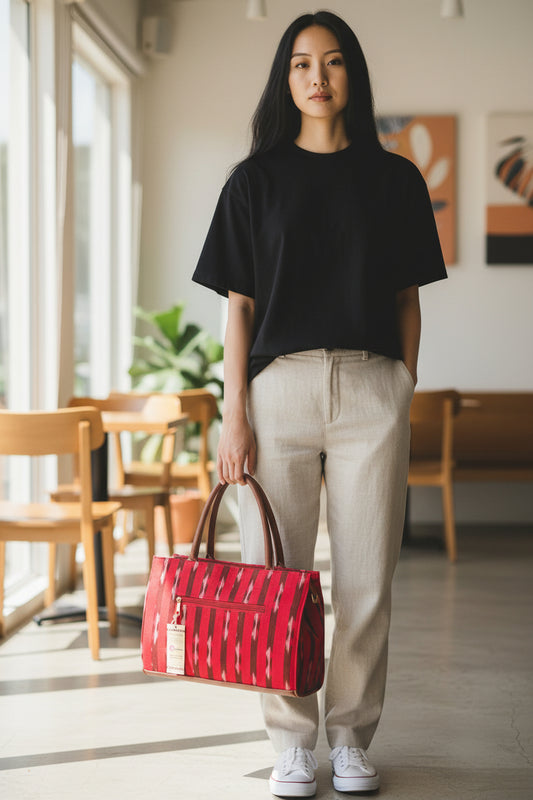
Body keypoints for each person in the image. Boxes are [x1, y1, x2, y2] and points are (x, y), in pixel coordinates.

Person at [192, 10, 447, 797]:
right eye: (301, 63)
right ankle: (292, 743)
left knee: (367, 581)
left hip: (372, 389)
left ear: (351, 76)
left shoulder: (395, 179)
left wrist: (400, 385)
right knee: (276, 578)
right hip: (278, 394)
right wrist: (235, 414)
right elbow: (238, 309)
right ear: (286, 78)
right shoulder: (252, 181)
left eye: (332, 62)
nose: (317, 77)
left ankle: (351, 738)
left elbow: (407, 299)